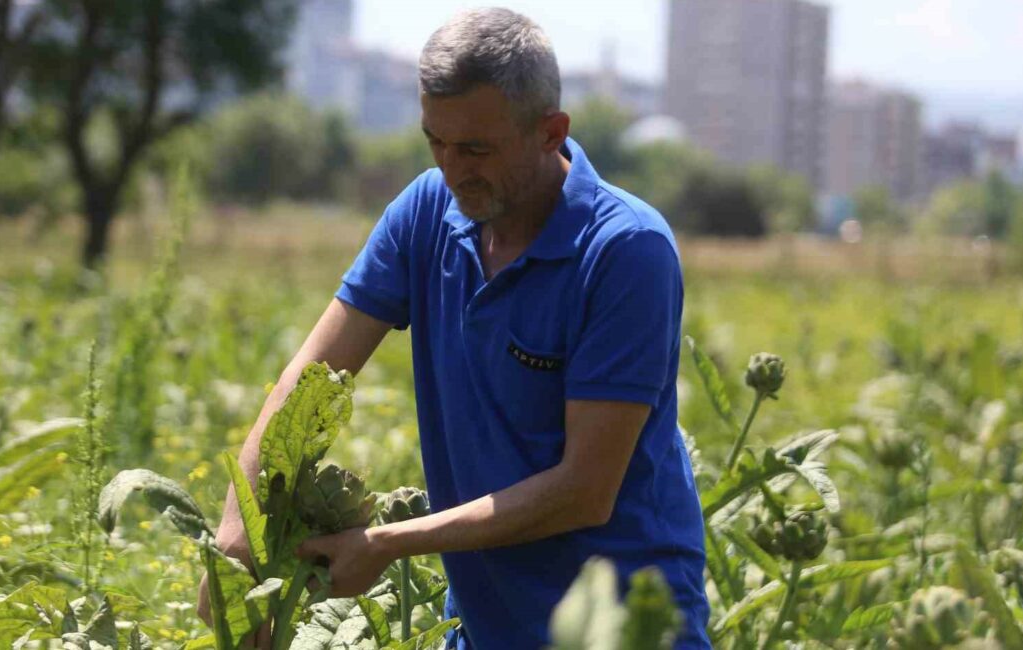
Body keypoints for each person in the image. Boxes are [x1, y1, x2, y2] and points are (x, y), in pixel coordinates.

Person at [200, 7, 711, 649]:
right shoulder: (424, 214)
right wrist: (237, 532)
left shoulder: (625, 251)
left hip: (621, 625)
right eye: (435, 142)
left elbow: (585, 491)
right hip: (482, 624)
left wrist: (387, 543)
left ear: (551, 131)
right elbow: (312, 376)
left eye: (476, 148)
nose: (451, 168)